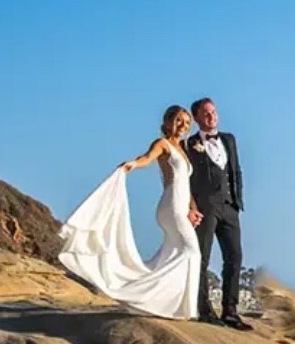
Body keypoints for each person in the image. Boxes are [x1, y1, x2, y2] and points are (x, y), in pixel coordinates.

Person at [58, 106, 202, 320]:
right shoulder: (162, 144)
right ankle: (154, 299)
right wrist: (133, 164)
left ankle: (168, 306)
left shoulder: (183, 149)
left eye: (187, 123)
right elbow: (146, 158)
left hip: (182, 206)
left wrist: (193, 208)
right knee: (192, 252)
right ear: (169, 121)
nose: (183, 125)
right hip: (170, 207)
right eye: (179, 120)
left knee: (169, 256)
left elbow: (186, 183)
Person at [185, 98, 252, 331]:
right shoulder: (188, 145)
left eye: (213, 112)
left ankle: (230, 311)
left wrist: (237, 200)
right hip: (205, 208)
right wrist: (191, 207)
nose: (211, 116)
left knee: (234, 257)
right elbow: (184, 179)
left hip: (230, 206)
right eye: (205, 114)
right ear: (196, 118)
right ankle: (204, 310)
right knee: (201, 258)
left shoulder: (229, 139)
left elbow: (236, 169)